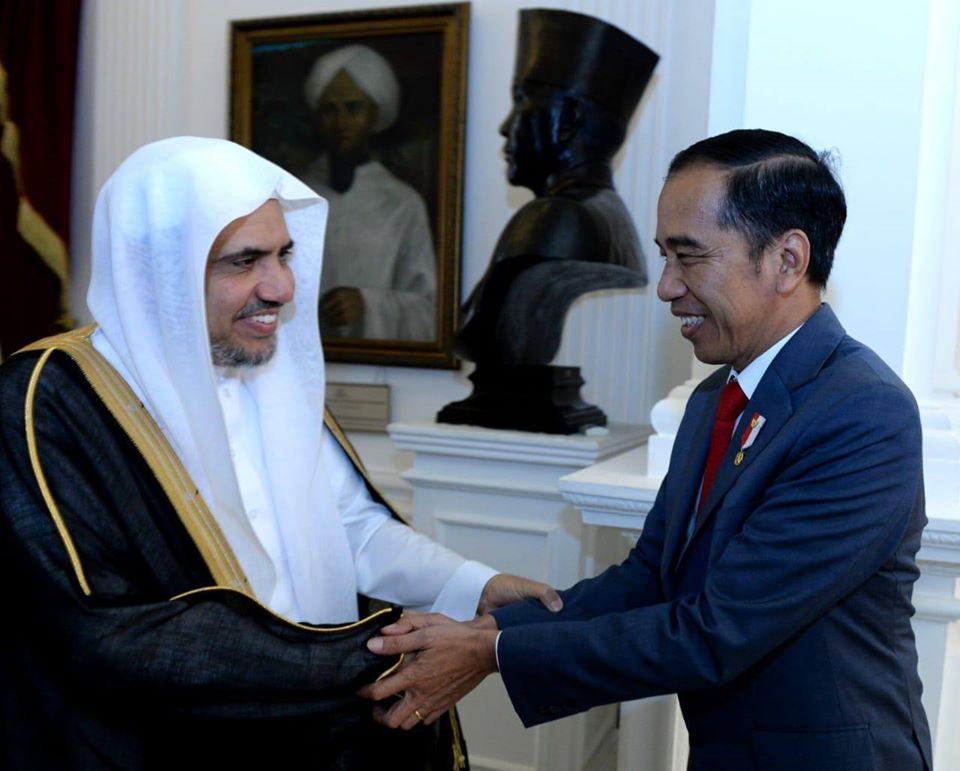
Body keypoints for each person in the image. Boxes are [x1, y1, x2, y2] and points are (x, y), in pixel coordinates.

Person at [362, 129, 933, 770]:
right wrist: (490, 632)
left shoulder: (862, 411)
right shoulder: (716, 396)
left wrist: (491, 655)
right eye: (665, 256)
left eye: (689, 257)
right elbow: (651, 578)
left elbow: (719, 629)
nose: (665, 287)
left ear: (787, 260)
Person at [0, 137, 559, 769]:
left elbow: (348, 529)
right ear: (156, 268)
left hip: (319, 728)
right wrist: (385, 653)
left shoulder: (265, 369)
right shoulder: (48, 399)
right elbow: (105, 633)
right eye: (244, 262)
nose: (283, 288)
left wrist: (473, 588)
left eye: (284, 254)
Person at [302, 44, 436, 342]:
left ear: (375, 113)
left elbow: (428, 309)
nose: (341, 122)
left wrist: (368, 304)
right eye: (329, 109)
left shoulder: (402, 204)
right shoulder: (291, 194)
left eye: (353, 107)